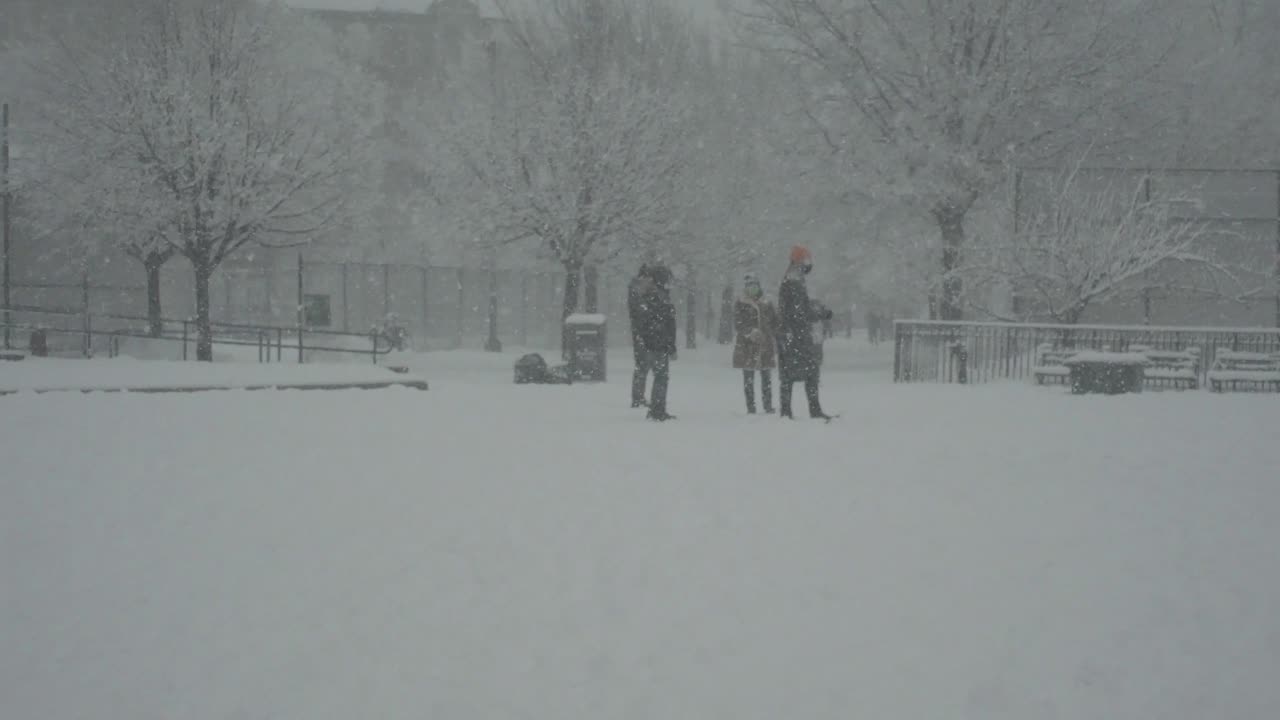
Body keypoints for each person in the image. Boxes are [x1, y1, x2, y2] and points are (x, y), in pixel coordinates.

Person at [777, 245, 833, 420]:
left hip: (791, 334)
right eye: (807, 261)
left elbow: (800, 306)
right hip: (796, 335)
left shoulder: (793, 278)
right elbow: (800, 310)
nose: (809, 265)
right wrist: (819, 313)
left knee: (791, 374)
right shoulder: (794, 280)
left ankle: (788, 412)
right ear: (800, 262)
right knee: (808, 372)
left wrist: (815, 308)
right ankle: (811, 411)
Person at [629, 262, 678, 421]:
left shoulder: (649, 296)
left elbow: (644, 321)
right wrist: (668, 344)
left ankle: (655, 407)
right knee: (661, 376)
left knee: (654, 373)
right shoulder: (660, 297)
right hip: (657, 344)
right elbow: (667, 323)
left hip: (653, 342)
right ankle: (657, 410)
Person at [732, 272, 779, 414]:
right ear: (746, 287)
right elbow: (738, 323)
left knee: (766, 378)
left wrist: (775, 333)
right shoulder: (740, 303)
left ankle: (768, 406)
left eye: (755, 285)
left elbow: (775, 322)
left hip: (765, 344)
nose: (753, 288)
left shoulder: (767, 302)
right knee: (748, 379)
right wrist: (749, 332)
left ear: (759, 286)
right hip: (747, 346)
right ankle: (751, 407)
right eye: (750, 286)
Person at [628, 264, 655, 408]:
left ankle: (638, 396)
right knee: (642, 364)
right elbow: (641, 311)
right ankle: (637, 397)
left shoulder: (636, 289)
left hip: (641, 332)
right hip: (642, 333)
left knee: (642, 364)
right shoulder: (638, 290)